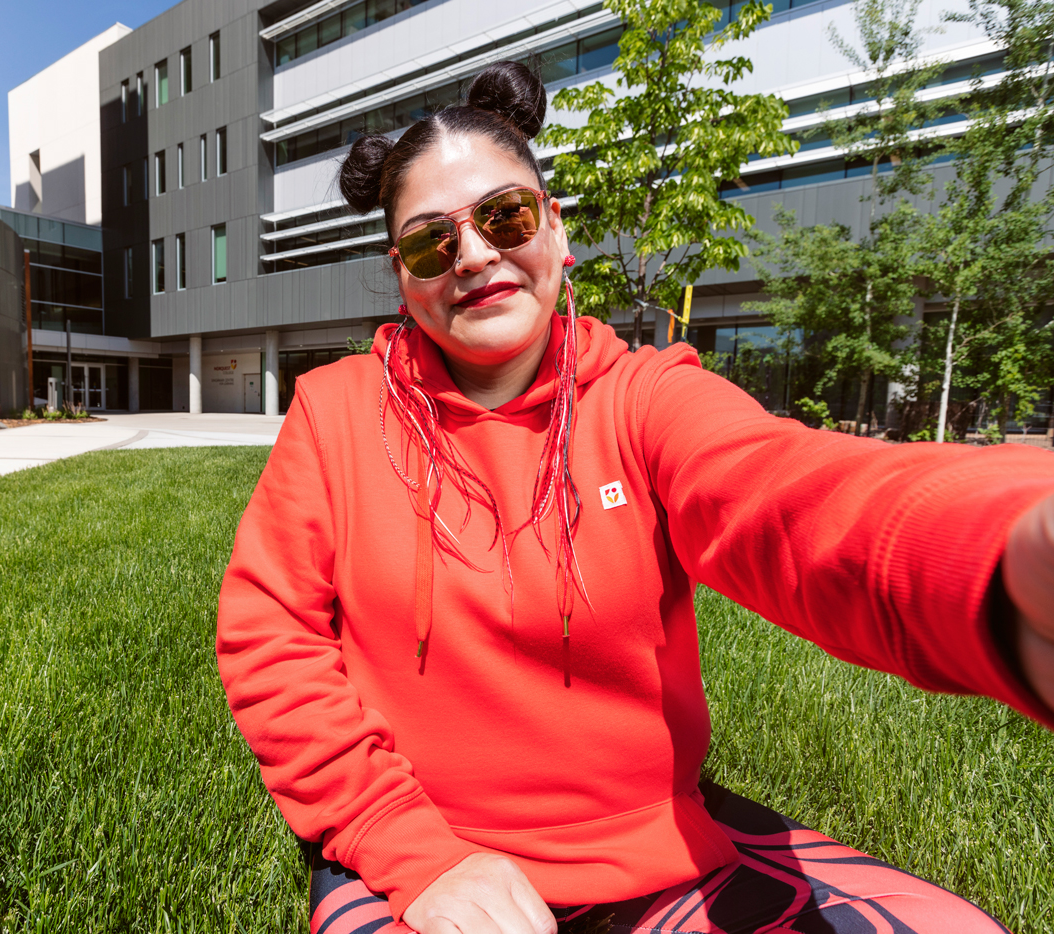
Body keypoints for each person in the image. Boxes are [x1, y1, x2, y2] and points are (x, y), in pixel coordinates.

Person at [216, 61, 1054, 934]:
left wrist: (999, 556)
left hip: (653, 852)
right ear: (404, 275)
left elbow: (784, 496)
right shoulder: (337, 409)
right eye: (432, 241)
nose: (473, 254)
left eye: (505, 215)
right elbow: (270, 639)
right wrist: (410, 848)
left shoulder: (645, 396)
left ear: (556, 229)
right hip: (425, 853)